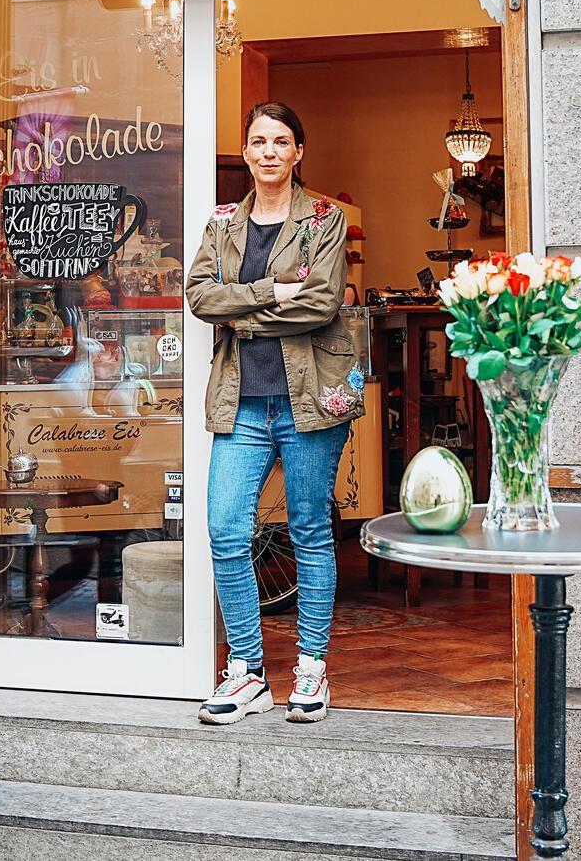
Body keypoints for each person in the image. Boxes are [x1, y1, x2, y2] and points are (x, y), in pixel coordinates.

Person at [184, 103, 364, 725]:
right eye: (257, 141)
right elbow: (200, 296)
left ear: (297, 153)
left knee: (309, 530)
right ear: (246, 150)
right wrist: (268, 292)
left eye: (280, 141)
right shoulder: (222, 223)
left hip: (308, 400)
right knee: (227, 529)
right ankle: (248, 671)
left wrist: (241, 314)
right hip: (241, 401)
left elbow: (320, 302)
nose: (267, 151)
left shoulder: (324, 219)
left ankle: (311, 667)